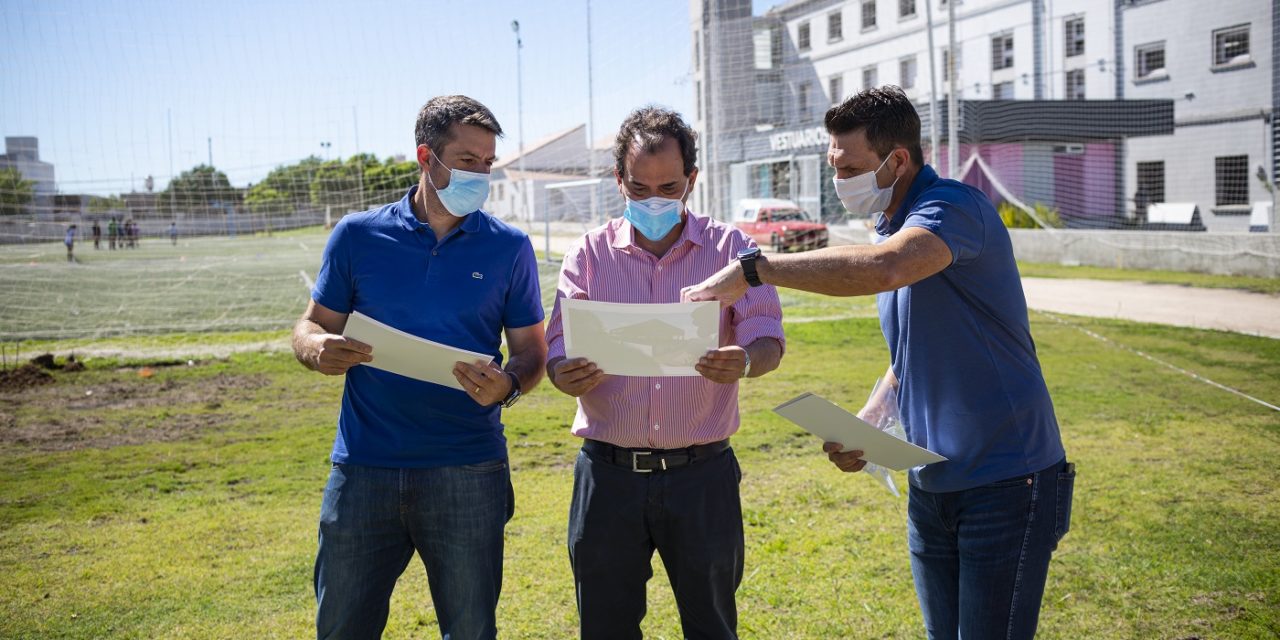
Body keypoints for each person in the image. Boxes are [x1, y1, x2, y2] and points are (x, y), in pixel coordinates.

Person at [682, 86, 1075, 640]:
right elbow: (908, 354)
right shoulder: (889, 224)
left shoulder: (952, 209)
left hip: (1008, 481)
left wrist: (756, 269)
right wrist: (871, 421)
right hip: (932, 483)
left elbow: (884, 269)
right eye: (834, 166)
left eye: (852, 168)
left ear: (898, 160)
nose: (840, 180)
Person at [292, 94, 547, 640]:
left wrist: (508, 385)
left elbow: (532, 352)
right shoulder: (357, 236)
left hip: (468, 470)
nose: (480, 173)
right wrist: (317, 349)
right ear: (425, 156)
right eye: (467, 159)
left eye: (487, 162)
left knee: (471, 629)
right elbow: (309, 326)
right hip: (363, 467)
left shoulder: (510, 247)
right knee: (341, 627)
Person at [545, 106, 785, 640]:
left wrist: (744, 360)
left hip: (701, 478)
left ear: (692, 180)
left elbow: (767, 334)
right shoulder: (587, 254)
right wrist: (565, 372)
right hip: (608, 478)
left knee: (712, 625)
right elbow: (558, 344)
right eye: (638, 187)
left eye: (668, 186)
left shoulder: (731, 249)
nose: (653, 199)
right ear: (618, 180)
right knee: (604, 627)